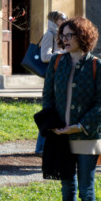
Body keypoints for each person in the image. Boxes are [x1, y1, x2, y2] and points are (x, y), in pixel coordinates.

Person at [41, 17, 101, 201]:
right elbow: (47, 96)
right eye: (62, 36)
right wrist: (53, 123)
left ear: (82, 36)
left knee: (86, 191)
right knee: (67, 188)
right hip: (62, 136)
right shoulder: (56, 62)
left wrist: (79, 126)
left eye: (70, 35)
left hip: (88, 136)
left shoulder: (97, 65)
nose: (65, 39)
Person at [35, 10, 67, 156]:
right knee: (49, 111)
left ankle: (49, 145)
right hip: (52, 77)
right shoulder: (50, 34)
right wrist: (62, 54)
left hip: (61, 76)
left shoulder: (62, 34)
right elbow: (44, 56)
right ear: (55, 20)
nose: (66, 19)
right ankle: (40, 147)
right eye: (63, 18)